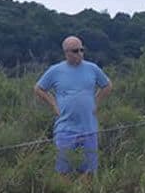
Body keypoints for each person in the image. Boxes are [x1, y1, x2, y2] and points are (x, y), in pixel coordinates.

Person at [34, 36, 113, 176]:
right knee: (63, 170)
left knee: (89, 170)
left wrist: (96, 102)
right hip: (65, 128)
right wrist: (53, 105)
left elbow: (107, 85)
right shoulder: (55, 70)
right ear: (66, 52)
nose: (80, 54)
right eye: (75, 51)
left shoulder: (92, 68)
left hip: (88, 127)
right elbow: (39, 88)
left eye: (82, 50)